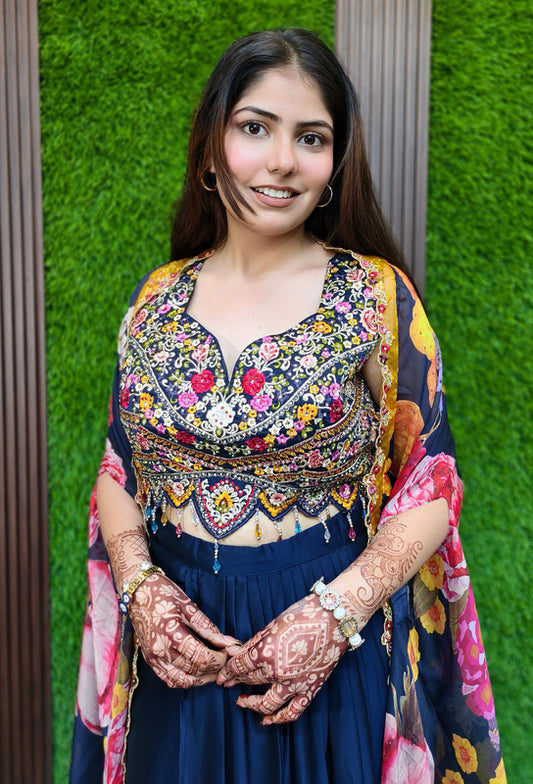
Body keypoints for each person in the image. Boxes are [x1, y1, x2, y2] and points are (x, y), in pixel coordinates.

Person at [70, 28, 505, 784]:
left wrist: (334, 618)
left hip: (327, 643)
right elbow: (119, 467)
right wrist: (141, 589)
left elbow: (431, 484)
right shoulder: (156, 298)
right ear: (210, 149)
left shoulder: (374, 295)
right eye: (254, 128)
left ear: (334, 163)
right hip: (178, 649)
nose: (281, 161)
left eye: (311, 138)